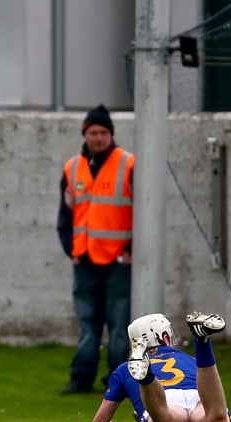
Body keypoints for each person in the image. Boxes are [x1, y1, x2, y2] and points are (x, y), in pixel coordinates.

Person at [56, 104, 133, 395]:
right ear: (85, 134)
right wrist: (71, 249)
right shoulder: (72, 167)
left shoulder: (128, 164)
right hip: (85, 258)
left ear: (111, 134)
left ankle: (119, 379)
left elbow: (142, 210)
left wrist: (131, 250)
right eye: (92, 133)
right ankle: (81, 377)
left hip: (118, 260)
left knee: (118, 325)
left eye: (103, 132)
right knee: (88, 324)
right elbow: (65, 214)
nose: (98, 138)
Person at [91, 311, 231, 422]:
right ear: (166, 337)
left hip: (165, 400)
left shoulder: (123, 369)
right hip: (199, 396)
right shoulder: (192, 360)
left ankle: (146, 377)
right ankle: (202, 341)